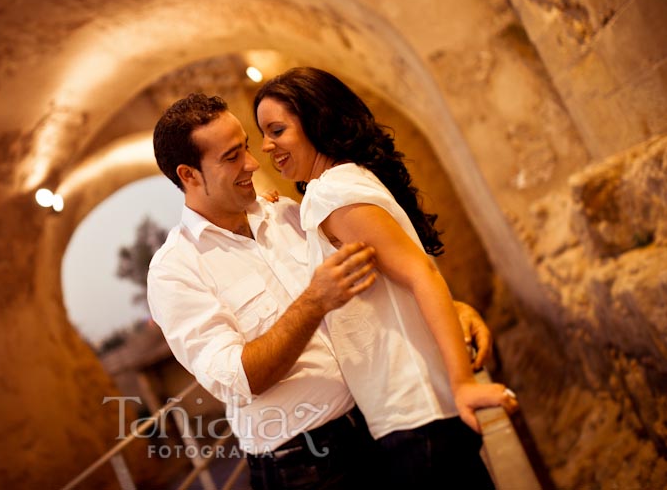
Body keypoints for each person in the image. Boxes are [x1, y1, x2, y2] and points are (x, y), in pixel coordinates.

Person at [147, 93, 495, 489]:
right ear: (189, 175)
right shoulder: (174, 270)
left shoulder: (288, 214)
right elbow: (238, 380)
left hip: (381, 423)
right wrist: (315, 301)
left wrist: (449, 308)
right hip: (305, 466)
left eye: (246, 145)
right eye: (231, 157)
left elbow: (380, 283)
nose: (252, 163)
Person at [254, 66, 518, 488]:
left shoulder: (330, 193)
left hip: (415, 417)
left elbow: (420, 272)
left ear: (316, 121)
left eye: (277, 130)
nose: (266, 146)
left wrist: (464, 382)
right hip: (417, 417)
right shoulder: (342, 184)